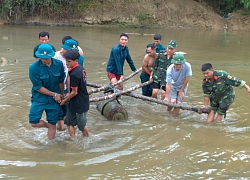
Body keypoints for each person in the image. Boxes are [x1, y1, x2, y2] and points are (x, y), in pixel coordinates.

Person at [29, 44, 65, 140]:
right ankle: (47, 126)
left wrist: (62, 95)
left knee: (53, 122)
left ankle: (50, 144)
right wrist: (54, 94)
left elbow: (61, 81)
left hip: (54, 100)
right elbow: (38, 87)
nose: (44, 60)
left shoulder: (59, 64)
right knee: (33, 122)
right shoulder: (33, 68)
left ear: (51, 55)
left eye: (46, 58)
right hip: (39, 98)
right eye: (42, 58)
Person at [53, 38, 84, 131]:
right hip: (56, 87)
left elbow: (73, 74)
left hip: (69, 87)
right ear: (63, 49)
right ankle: (61, 128)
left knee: (67, 109)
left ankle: (67, 128)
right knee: (58, 109)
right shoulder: (55, 57)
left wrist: (69, 92)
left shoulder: (79, 58)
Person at [60, 49, 89, 138]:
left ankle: (87, 139)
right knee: (68, 122)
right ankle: (73, 140)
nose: (66, 63)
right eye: (66, 61)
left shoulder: (75, 74)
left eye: (69, 61)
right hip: (77, 100)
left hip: (79, 102)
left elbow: (74, 92)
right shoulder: (80, 68)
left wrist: (65, 100)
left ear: (76, 60)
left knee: (82, 126)